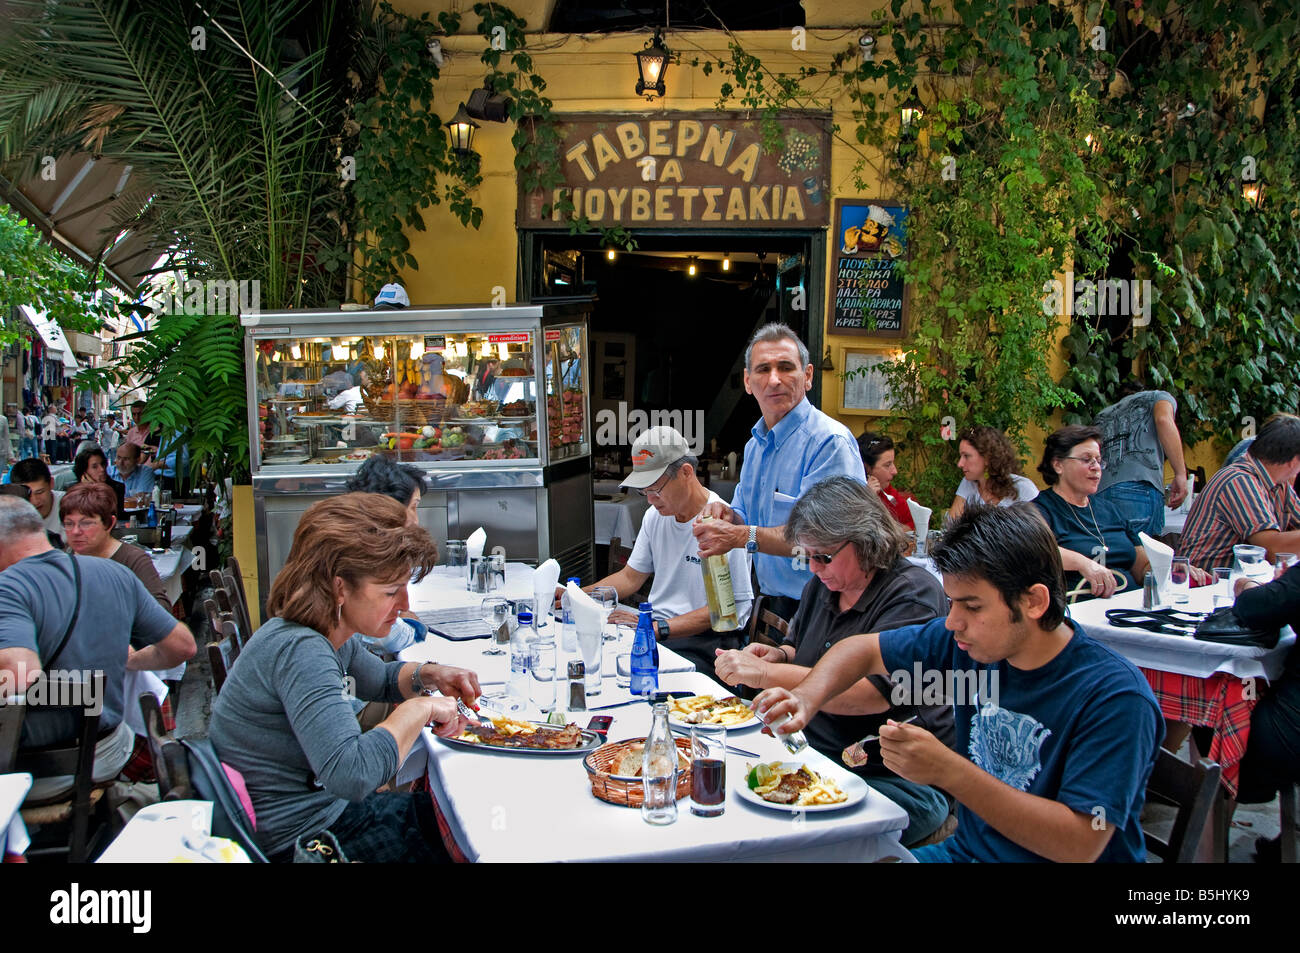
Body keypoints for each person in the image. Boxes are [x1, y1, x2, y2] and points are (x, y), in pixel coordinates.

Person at [753, 503, 1164, 862]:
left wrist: (948, 771)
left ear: (1035, 601)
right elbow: (860, 649)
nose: (952, 621)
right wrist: (806, 698)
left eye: (971, 605)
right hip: (966, 853)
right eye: (951, 602)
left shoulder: (1114, 699)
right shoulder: (967, 643)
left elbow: (1081, 842)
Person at [207, 493, 478, 863]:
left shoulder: (321, 630)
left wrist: (430, 674)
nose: (403, 604)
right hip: (304, 842)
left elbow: (380, 680)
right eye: (390, 591)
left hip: (319, 817)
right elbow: (353, 775)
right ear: (339, 588)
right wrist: (419, 710)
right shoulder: (301, 650)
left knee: (453, 812)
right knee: (466, 829)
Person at [713, 476, 950, 844]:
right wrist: (777, 654)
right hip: (814, 756)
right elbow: (801, 650)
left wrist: (768, 673)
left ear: (866, 541)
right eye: (807, 555)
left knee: (789, 838)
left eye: (822, 556)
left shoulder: (912, 594)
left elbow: (869, 694)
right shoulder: (824, 584)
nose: (813, 567)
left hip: (891, 774)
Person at [0, 496, 195, 800]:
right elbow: (183, 646)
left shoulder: (8, 588)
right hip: (111, 747)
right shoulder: (115, 574)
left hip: (45, 766)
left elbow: (22, 677)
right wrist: (125, 662)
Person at [694, 323, 865, 619]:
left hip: (827, 605)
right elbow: (744, 514)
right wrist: (725, 517)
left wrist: (739, 535)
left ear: (807, 376)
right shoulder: (755, 446)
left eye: (785, 367)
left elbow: (822, 538)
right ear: (748, 382)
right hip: (772, 602)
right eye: (763, 369)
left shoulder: (828, 442)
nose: (774, 380)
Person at [587, 427, 753, 680]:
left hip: (706, 644)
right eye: (644, 492)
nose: (651, 499)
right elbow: (631, 577)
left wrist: (657, 629)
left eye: (655, 489)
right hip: (660, 631)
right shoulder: (655, 516)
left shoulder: (721, 523)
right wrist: (578, 596)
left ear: (686, 472)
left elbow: (726, 613)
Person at [1032, 425, 1208, 598]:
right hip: (1079, 610)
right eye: (1086, 460)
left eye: (1098, 460)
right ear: (1058, 465)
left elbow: (1142, 568)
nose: (1096, 467)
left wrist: (1169, 570)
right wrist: (1083, 563)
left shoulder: (1110, 509)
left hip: (1129, 605)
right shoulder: (1038, 510)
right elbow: (1032, 550)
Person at [1231, 563, 1300, 861]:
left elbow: (1254, 607)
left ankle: (1205, 848)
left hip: (1291, 737)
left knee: (1221, 717)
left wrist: (1246, 585)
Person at [1181, 413, 1300, 569]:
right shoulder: (1239, 480)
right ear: (1294, 461)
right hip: (1204, 584)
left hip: (1238, 582)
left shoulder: (1277, 483)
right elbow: (1272, 550)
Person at [344, 457, 430, 656]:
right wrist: (412, 625)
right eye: (413, 507)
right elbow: (387, 638)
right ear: (390, 507)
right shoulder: (365, 552)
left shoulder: (354, 535)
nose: (416, 520)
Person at [1092, 382, 1191, 537]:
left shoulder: (1102, 416)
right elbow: (1163, 420)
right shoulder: (1158, 397)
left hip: (1100, 491)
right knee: (1145, 555)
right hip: (1138, 487)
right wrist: (1180, 473)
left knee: (1111, 554)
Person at [61, 482, 170, 611]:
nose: (75, 531)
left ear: (109, 523)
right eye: (69, 524)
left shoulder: (132, 560)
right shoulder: (63, 559)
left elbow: (161, 610)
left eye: (86, 523)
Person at [947, 425, 1038, 520]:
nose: (960, 464)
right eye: (961, 456)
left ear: (987, 457)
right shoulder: (968, 483)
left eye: (966, 456)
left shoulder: (1023, 488)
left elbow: (1041, 531)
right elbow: (952, 525)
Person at [858, 431, 917, 529]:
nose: (895, 471)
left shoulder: (886, 491)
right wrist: (868, 498)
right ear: (866, 468)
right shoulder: (847, 494)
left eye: (893, 463)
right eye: (887, 465)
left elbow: (911, 523)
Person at [10, 458, 65, 545]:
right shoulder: (8, 514)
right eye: (27, 495)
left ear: (51, 483)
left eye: (40, 492)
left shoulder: (71, 504)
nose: (35, 501)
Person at [74, 444, 127, 518]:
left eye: (102, 464)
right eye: (95, 467)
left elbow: (112, 516)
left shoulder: (117, 487)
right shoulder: (74, 492)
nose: (102, 469)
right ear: (84, 472)